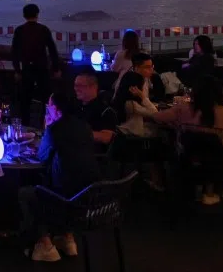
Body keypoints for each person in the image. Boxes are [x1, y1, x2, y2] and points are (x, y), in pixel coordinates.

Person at [150, 76, 223, 204]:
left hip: (187, 165)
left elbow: (156, 117)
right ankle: (211, 192)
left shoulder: (182, 109)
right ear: (220, 94)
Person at [23, 89, 101, 262]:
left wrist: (47, 128)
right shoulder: (85, 127)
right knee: (66, 180)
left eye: (49, 106)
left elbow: (42, 158)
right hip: (89, 195)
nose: (47, 109)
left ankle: (45, 246)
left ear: (57, 110)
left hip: (65, 196)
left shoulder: (54, 129)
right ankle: (68, 238)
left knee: (28, 193)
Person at [11, 3, 60, 125]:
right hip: (42, 68)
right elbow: (53, 50)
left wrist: (17, 70)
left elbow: (14, 52)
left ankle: (25, 126)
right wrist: (56, 68)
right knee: (46, 99)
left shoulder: (19, 31)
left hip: (26, 69)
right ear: (37, 14)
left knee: (25, 100)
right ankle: (44, 124)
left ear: (24, 15)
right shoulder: (44, 30)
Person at [113, 52, 159, 136]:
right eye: (147, 67)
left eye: (152, 66)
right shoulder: (132, 84)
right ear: (136, 68)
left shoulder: (143, 79)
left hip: (139, 122)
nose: (151, 70)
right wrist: (143, 96)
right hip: (132, 132)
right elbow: (154, 113)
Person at [72, 72, 117, 151]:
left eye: (80, 86)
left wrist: (79, 134)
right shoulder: (75, 108)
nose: (76, 89)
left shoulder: (106, 111)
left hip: (93, 156)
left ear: (93, 87)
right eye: (75, 85)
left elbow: (106, 137)